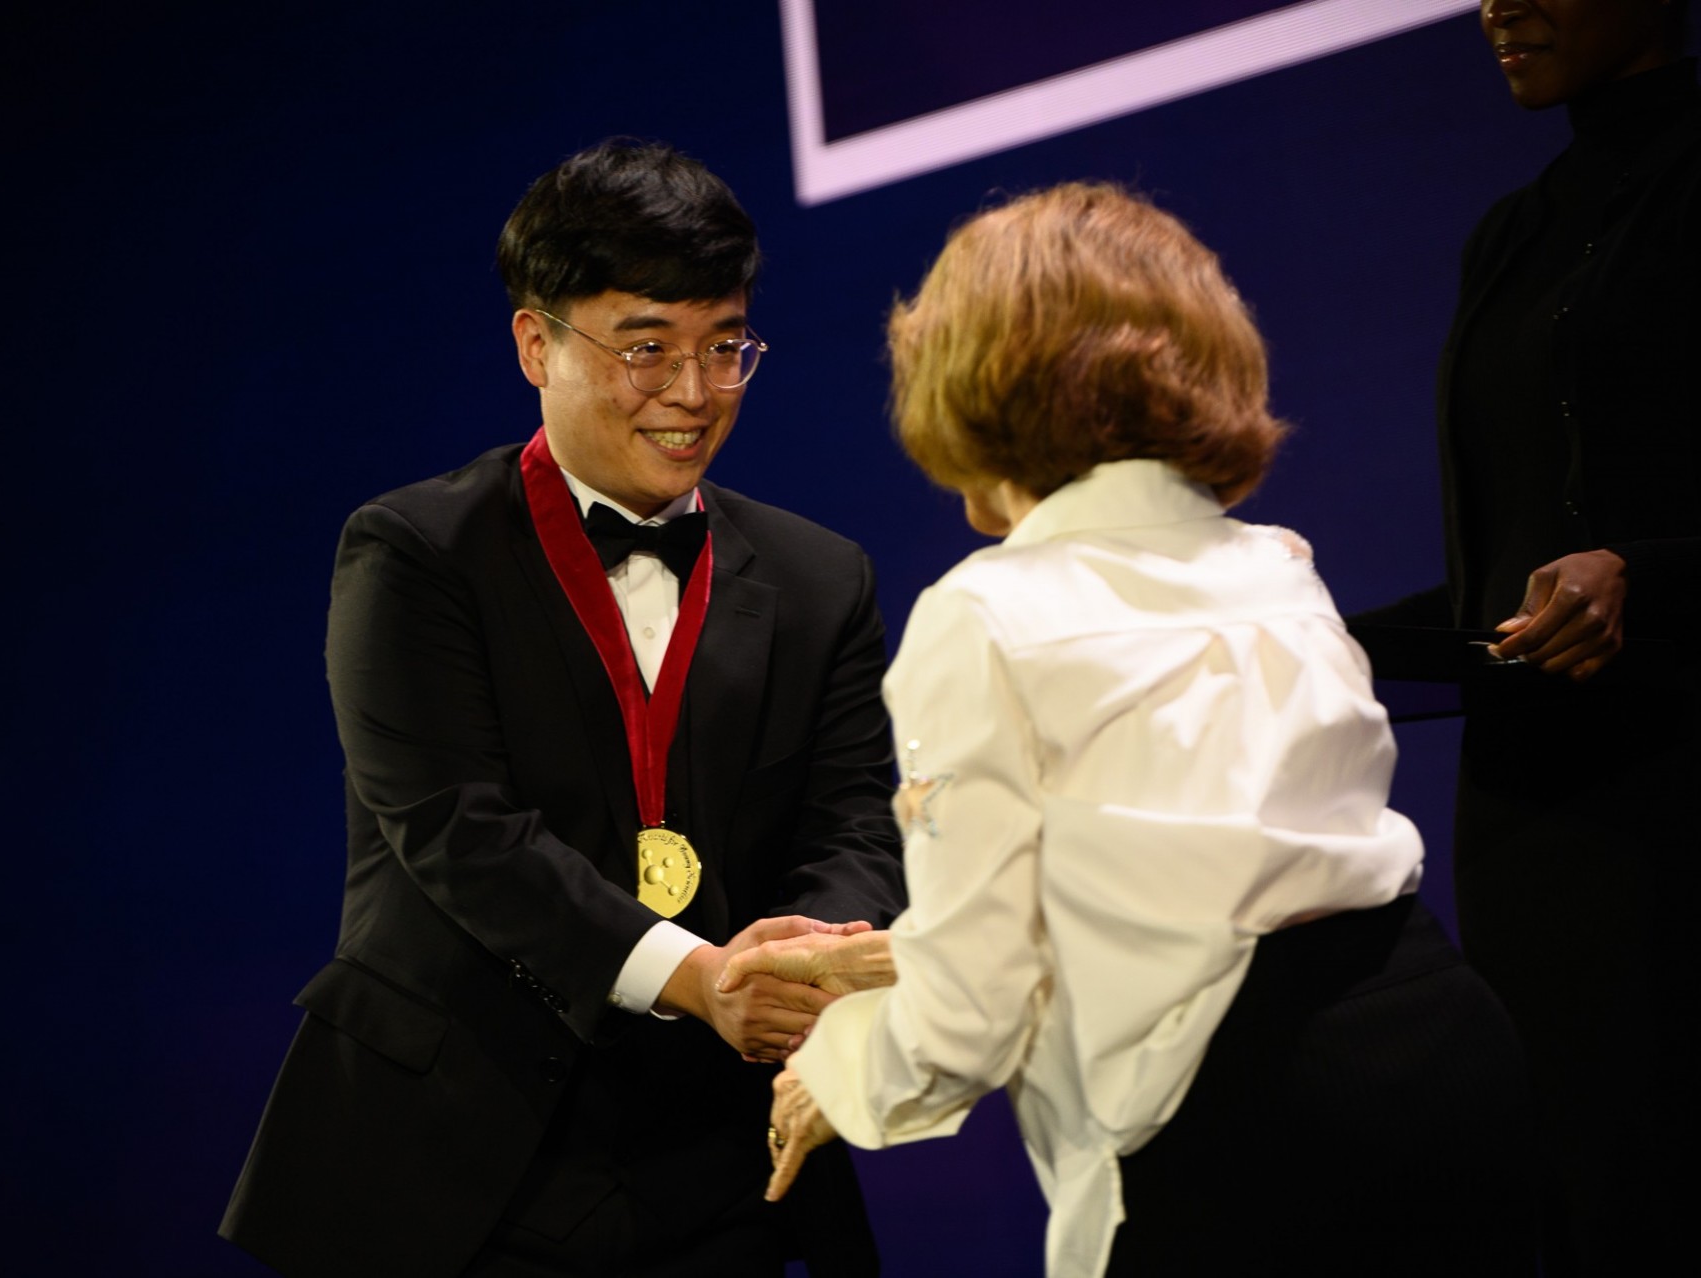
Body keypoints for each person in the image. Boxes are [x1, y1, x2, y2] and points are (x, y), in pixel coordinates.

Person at [721, 184, 1537, 1277]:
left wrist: (837, 1071)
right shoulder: (1275, 564)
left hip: (1242, 1127)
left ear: (975, 376)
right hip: (1444, 1054)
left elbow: (975, 1008)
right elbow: (1178, 883)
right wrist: (887, 961)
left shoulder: (986, 613)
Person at [220, 140, 906, 1278]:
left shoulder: (822, 575)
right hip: (463, 1163)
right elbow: (458, 832)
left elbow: (851, 823)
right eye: (647, 349)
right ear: (537, 344)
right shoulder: (415, 553)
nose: (693, 395)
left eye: (725, 348)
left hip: (728, 1160)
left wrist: (810, 960)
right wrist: (699, 979)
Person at [1359, 4, 1699, 1272]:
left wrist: (1650, 582)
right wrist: (1296, 631)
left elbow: (1623, 559)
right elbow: (1492, 580)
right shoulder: (1514, 231)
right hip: (1539, 828)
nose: (1502, 7)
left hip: (1676, 799)